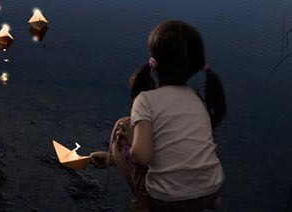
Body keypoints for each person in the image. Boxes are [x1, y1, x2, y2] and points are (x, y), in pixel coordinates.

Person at [89, 20, 226, 212]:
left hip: (166, 200)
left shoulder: (145, 100)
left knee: (123, 127)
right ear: (197, 66)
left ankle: (143, 204)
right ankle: (202, 201)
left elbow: (141, 157)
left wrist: (129, 139)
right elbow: (177, 144)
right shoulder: (198, 100)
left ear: (153, 63)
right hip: (211, 192)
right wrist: (114, 159)